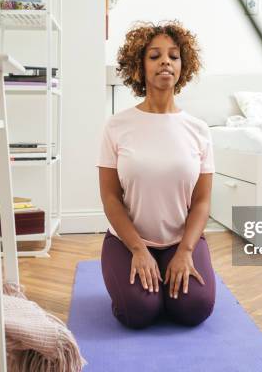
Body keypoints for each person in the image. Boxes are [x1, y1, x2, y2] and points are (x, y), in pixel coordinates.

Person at [96, 21, 216, 329]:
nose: (165, 61)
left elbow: (202, 201)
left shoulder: (199, 130)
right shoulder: (116, 126)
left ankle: (166, 287)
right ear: (140, 66)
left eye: (174, 56)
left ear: (182, 66)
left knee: (195, 308)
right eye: (155, 56)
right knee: (139, 312)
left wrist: (186, 250)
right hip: (128, 241)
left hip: (180, 240)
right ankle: (147, 290)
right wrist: (138, 249)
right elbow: (110, 198)